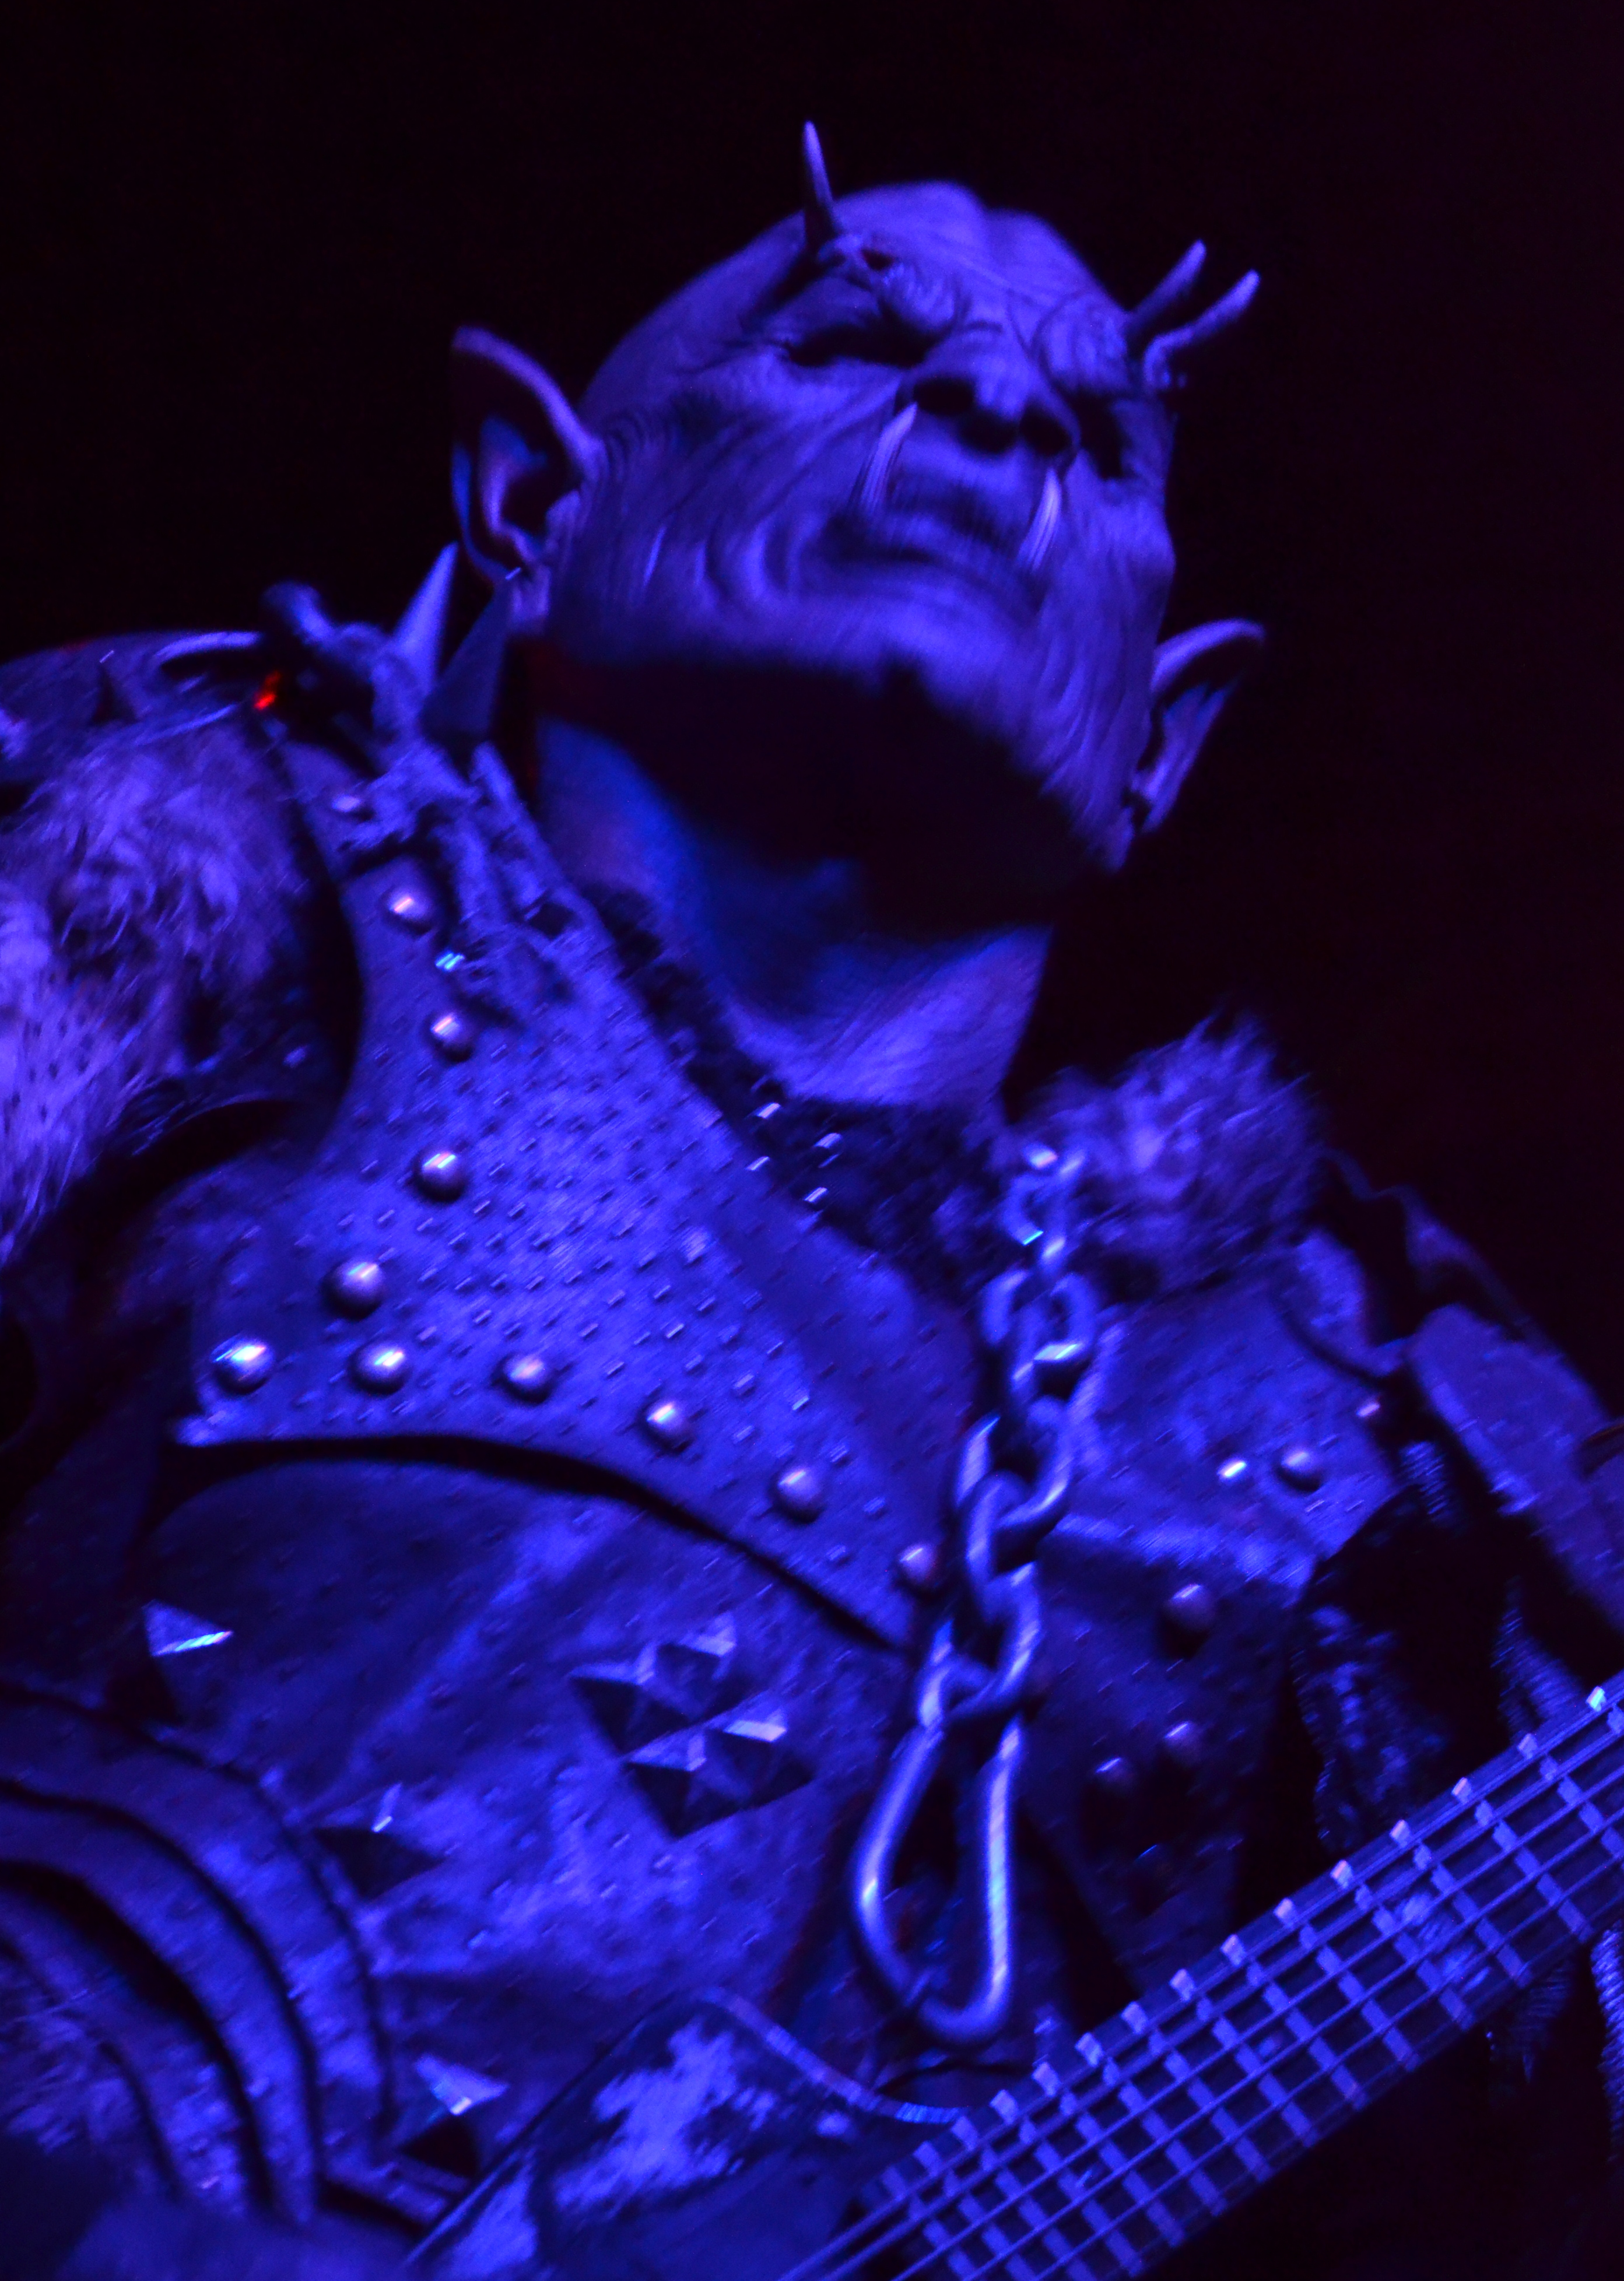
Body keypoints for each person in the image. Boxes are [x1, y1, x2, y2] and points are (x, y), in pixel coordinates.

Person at [1, 128, 1621, 2280]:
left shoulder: (1349, 1443)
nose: (996, 408)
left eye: (1099, 436)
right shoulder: (154, 867)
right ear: (527, 498)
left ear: (1166, 736)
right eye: (851, 340)